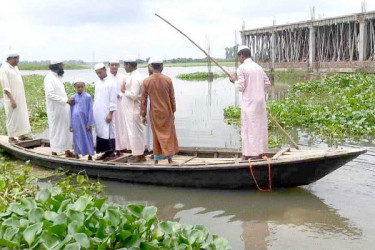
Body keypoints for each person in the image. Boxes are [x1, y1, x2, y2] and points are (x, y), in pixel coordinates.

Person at [229, 45, 271, 160]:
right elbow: (267, 83)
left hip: (249, 103)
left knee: (249, 127)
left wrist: (234, 81)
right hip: (260, 103)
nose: (239, 59)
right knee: (260, 126)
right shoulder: (258, 67)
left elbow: (241, 87)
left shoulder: (242, 68)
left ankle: (249, 154)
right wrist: (257, 89)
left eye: (239, 57)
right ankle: (261, 152)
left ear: (242, 56)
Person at [141, 57, 178, 164]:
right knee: (168, 134)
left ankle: (156, 161)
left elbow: (143, 100)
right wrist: (173, 111)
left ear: (151, 66)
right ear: (162, 66)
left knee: (157, 135)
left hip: (155, 113)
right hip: (167, 112)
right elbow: (172, 98)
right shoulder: (168, 80)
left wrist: (143, 115)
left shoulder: (146, 81)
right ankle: (169, 159)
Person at [44, 58, 74, 157]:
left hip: (64, 109)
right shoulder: (49, 78)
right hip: (55, 110)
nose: (63, 67)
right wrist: (65, 100)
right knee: (56, 130)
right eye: (62, 65)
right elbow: (50, 94)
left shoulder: (58, 77)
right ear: (57, 66)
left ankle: (67, 151)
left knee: (66, 130)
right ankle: (55, 151)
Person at [0, 50, 31, 143]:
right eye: (17, 58)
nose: (18, 60)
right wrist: (12, 99)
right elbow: (5, 86)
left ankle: (21, 135)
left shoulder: (15, 68)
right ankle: (11, 137)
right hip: (11, 98)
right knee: (12, 117)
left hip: (20, 97)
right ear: (12, 58)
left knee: (21, 116)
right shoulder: (4, 68)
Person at [123, 55, 145, 163]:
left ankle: (139, 156)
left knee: (135, 134)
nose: (124, 68)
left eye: (125, 65)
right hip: (131, 110)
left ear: (128, 65)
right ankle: (137, 154)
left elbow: (134, 95)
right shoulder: (132, 75)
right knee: (134, 133)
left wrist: (124, 91)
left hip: (134, 110)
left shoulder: (136, 77)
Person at [93, 63, 117, 160]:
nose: (99, 75)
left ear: (104, 70)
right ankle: (103, 152)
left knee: (109, 132)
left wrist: (110, 113)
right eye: (97, 73)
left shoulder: (111, 83)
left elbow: (113, 100)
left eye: (100, 72)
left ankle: (111, 152)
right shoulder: (97, 83)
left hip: (107, 112)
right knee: (100, 132)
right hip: (98, 113)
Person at [107, 58, 128, 156]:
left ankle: (119, 149)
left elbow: (125, 90)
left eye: (116, 65)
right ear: (109, 65)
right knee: (110, 127)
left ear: (119, 66)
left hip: (120, 105)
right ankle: (110, 149)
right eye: (112, 65)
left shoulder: (123, 77)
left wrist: (119, 94)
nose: (114, 67)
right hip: (108, 106)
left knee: (120, 126)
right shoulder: (106, 77)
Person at [70, 78, 94, 160]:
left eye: (81, 86)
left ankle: (90, 154)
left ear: (84, 87)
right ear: (75, 87)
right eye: (78, 87)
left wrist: (89, 123)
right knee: (76, 138)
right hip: (76, 122)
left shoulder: (88, 97)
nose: (80, 88)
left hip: (85, 121)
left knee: (87, 137)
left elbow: (90, 110)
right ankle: (77, 153)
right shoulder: (73, 97)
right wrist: (71, 124)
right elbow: (71, 111)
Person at [144, 59, 153, 154]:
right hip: (148, 108)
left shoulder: (164, 79)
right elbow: (144, 98)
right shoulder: (146, 80)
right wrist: (143, 114)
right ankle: (150, 148)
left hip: (157, 109)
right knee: (148, 129)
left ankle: (157, 150)